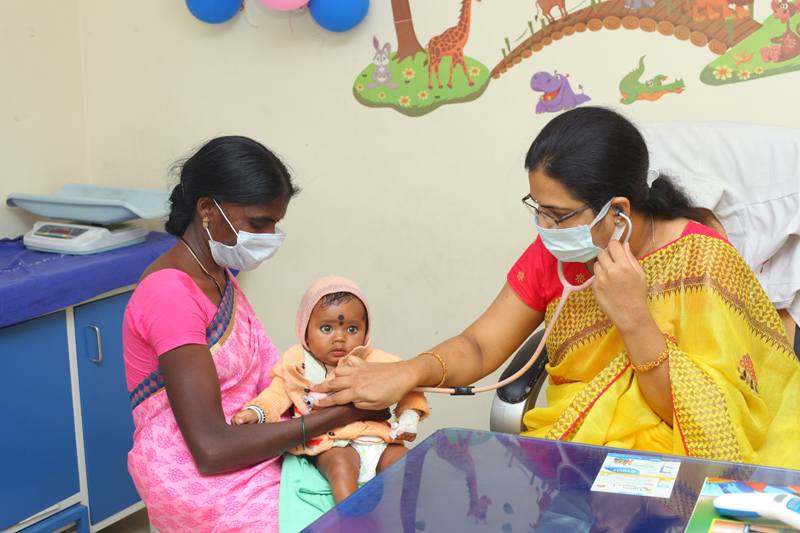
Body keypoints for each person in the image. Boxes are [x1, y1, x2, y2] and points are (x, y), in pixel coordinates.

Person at [313, 107, 800, 468]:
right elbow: (480, 345)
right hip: (576, 449)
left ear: (618, 211)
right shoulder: (557, 255)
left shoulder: (702, 259)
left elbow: (702, 421)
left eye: (558, 215)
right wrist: (407, 371)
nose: (544, 228)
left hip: (678, 460)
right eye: (537, 209)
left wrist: (634, 318)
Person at [122, 136, 389, 533]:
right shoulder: (170, 294)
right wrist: (344, 414)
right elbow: (211, 450)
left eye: (276, 223)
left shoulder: (216, 276)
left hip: (252, 445)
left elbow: (266, 383)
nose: (270, 236)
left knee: (382, 486)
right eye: (259, 224)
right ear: (207, 210)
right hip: (196, 476)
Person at [231, 275, 429, 504]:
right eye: (326, 328)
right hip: (330, 446)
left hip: (379, 441)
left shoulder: (376, 361)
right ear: (305, 331)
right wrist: (256, 411)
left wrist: (410, 415)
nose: (340, 338)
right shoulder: (295, 366)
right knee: (341, 466)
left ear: (366, 332)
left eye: (352, 329)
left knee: (409, 462)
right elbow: (275, 395)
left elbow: (410, 383)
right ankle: (352, 520)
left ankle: (407, 516)